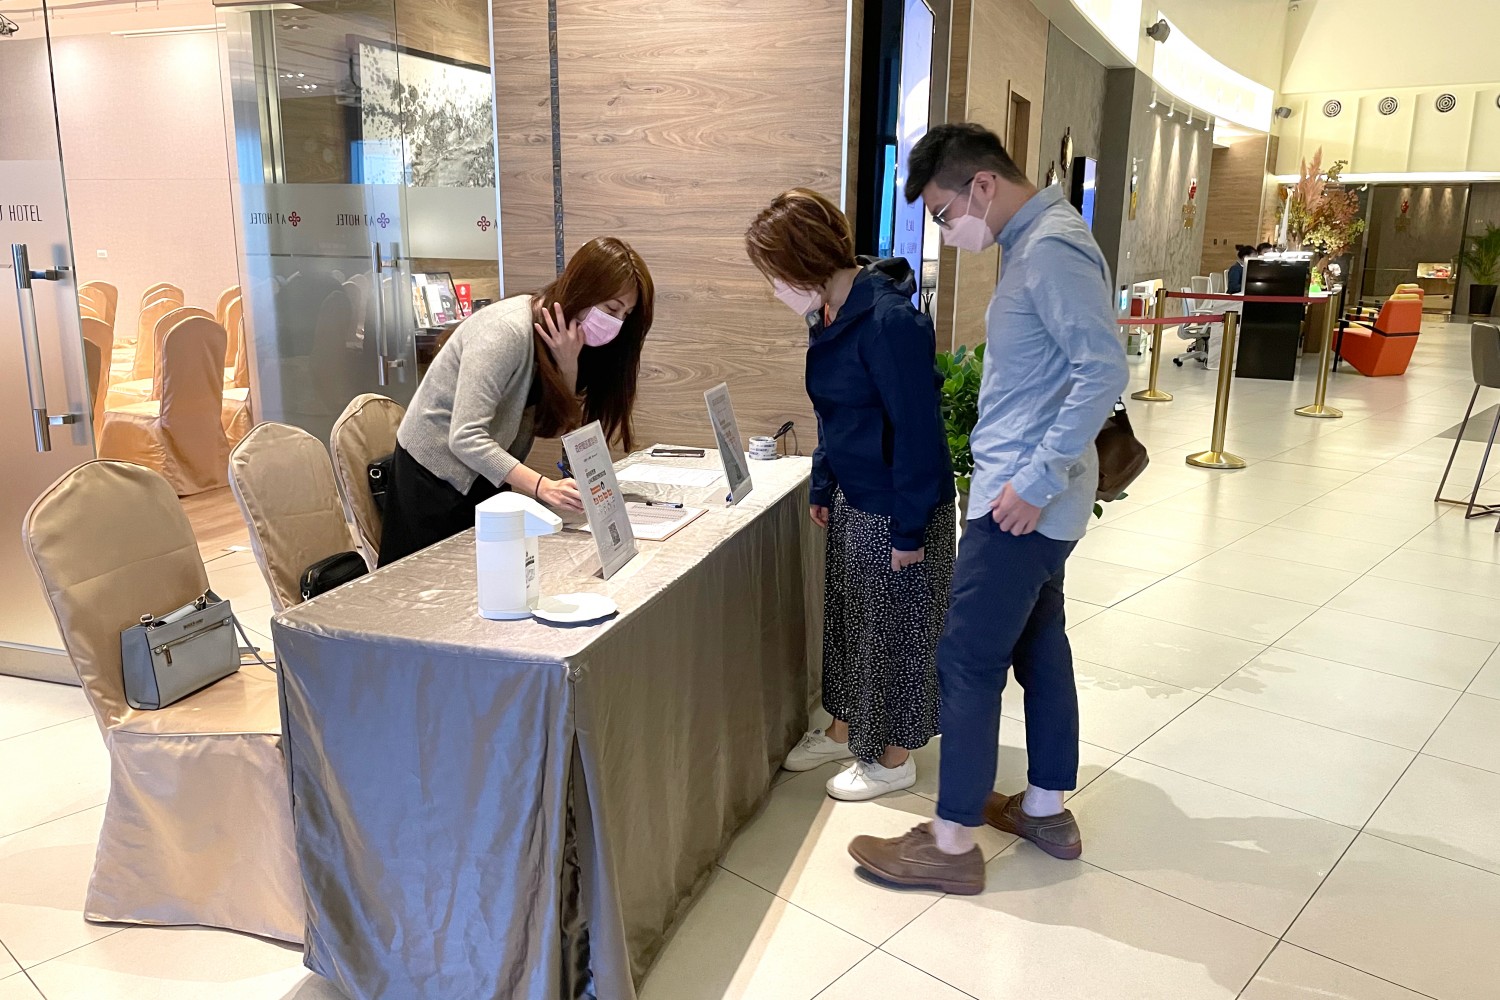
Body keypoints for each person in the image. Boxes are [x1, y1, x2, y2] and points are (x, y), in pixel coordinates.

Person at [847, 123, 1129, 892]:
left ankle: (949, 845)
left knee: (966, 659)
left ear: (982, 185)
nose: (947, 232)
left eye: (945, 213)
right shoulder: (1035, 241)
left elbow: (1102, 368)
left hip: (1021, 507)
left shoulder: (1051, 247)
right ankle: (1044, 809)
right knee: (1040, 647)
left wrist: (1034, 481)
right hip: (1030, 500)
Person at [745, 188, 955, 802]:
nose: (774, 290)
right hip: (854, 496)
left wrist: (910, 529)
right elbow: (833, 413)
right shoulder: (828, 316)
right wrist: (823, 479)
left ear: (805, 261)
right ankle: (843, 729)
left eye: (776, 275)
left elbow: (916, 433)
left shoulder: (890, 322)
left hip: (899, 505)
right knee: (850, 621)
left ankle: (893, 758)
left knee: (895, 632)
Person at [377, 237, 654, 566]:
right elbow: (465, 437)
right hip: (432, 477)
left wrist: (567, 367)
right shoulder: (505, 331)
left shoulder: (567, 341)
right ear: (584, 290)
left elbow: (554, 427)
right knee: (426, 583)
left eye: (626, 314)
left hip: (485, 474)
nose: (617, 323)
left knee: (488, 577)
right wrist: (542, 487)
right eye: (612, 309)